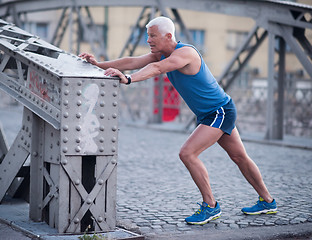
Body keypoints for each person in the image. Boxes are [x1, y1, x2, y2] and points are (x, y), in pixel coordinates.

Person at [79, 16, 277, 225]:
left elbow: (157, 69)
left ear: (168, 36)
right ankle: (268, 201)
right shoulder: (160, 54)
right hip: (213, 112)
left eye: (153, 36)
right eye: (148, 36)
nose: (149, 40)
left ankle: (210, 206)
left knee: (188, 153)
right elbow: (132, 61)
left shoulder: (185, 53)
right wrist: (99, 65)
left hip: (219, 112)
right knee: (239, 157)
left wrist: (128, 79)